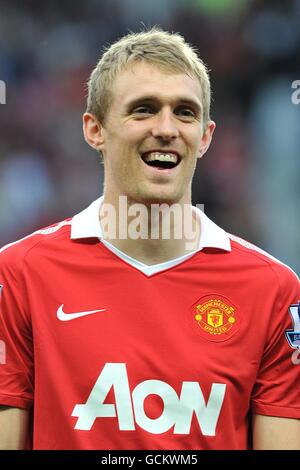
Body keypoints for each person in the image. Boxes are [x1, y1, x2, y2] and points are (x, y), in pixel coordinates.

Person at [0, 28, 299, 451]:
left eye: (185, 112)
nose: (166, 128)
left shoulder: (273, 290)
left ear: (207, 136)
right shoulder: (18, 275)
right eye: (143, 110)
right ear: (94, 130)